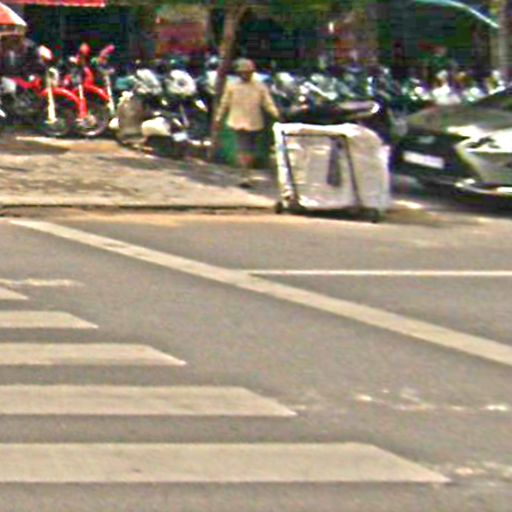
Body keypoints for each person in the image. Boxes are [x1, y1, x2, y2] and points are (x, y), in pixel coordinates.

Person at [215, 57, 280, 188]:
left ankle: (246, 172)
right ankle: (245, 174)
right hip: (238, 121)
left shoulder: (259, 86)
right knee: (243, 147)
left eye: (248, 72)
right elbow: (224, 103)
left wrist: (276, 114)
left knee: (250, 148)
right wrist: (218, 118)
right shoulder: (232, 86)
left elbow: (267, 103)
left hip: (254, 121)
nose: (246, 75)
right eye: (243, 72)